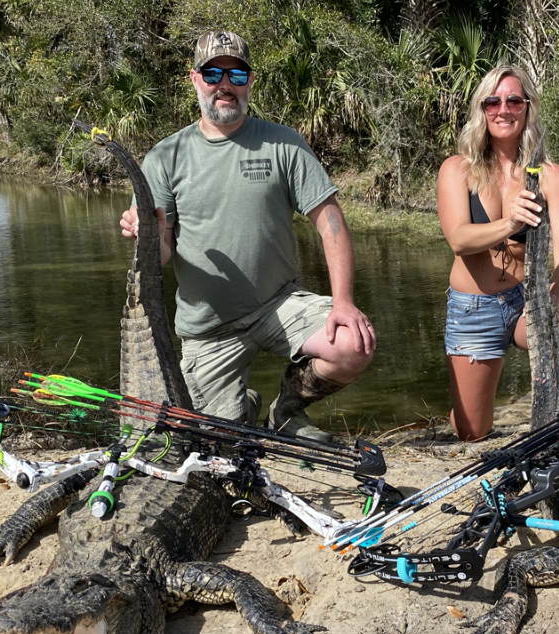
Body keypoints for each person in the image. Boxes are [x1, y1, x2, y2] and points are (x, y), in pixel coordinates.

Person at [120, 31, 375, 444]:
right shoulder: (165, 156)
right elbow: (163, 253)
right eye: (213, 73)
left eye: (236, 74)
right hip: (208, 328)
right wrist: (145, 235)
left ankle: (288, 410)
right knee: (214, 441)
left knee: (352, 344)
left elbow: (331, 223)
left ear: (250, 81)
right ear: (195, 79)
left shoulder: (284, 143)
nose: (225, 84)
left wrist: (343, 303)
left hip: (279, 303)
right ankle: (243, 407)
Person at [438, 65, 559, 442]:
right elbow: (458, 239)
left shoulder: (551, 175)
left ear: (528, 108)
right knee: (472, 431)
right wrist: (509, 222)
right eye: (493, 101)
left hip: (526, 301)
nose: (503, 109)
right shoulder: (457, 170)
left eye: (513, 100)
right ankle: (463, 406)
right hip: (474, 307)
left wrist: (557, 296)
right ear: (482, 109)